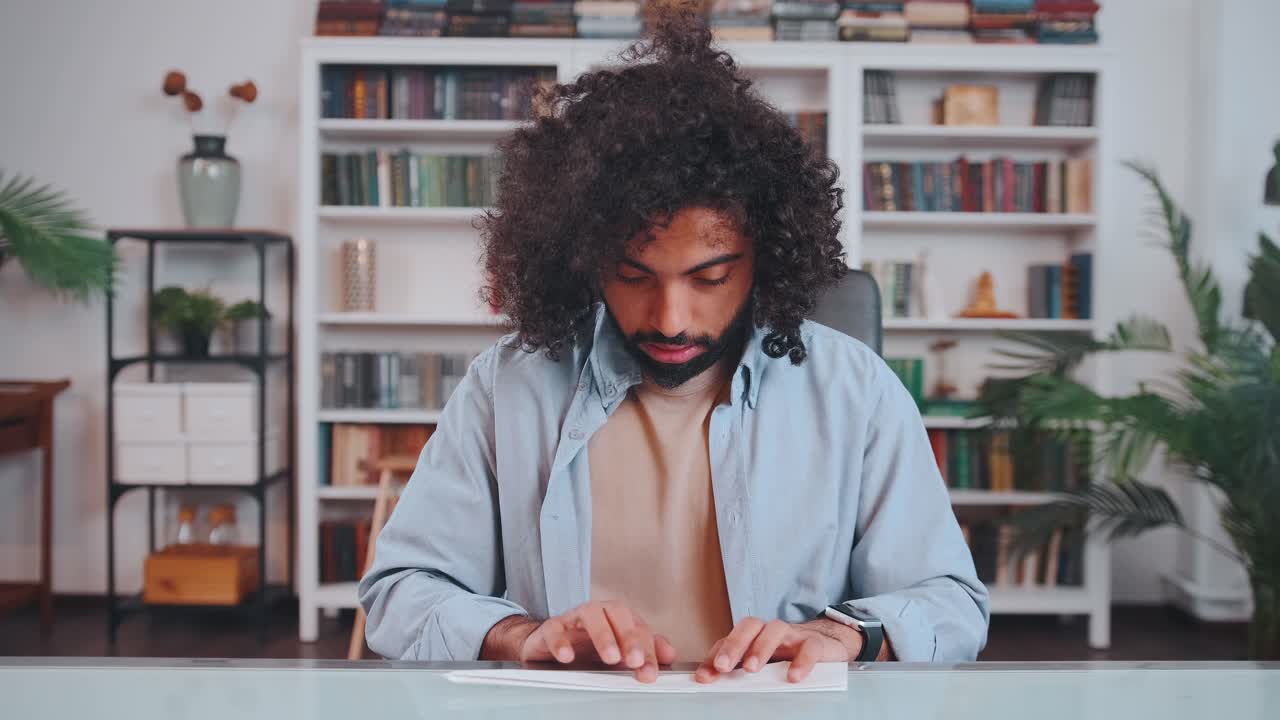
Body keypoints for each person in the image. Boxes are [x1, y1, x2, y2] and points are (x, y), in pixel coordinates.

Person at [359, 9, 989, 684]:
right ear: (583, 257)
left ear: (766, 258)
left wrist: (845, 636)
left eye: (711, 277)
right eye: (633, 275)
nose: (669, 318)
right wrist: (522, 635)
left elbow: (950, 605)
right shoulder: (507, 387)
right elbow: (399, 590)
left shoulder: (855, 393)